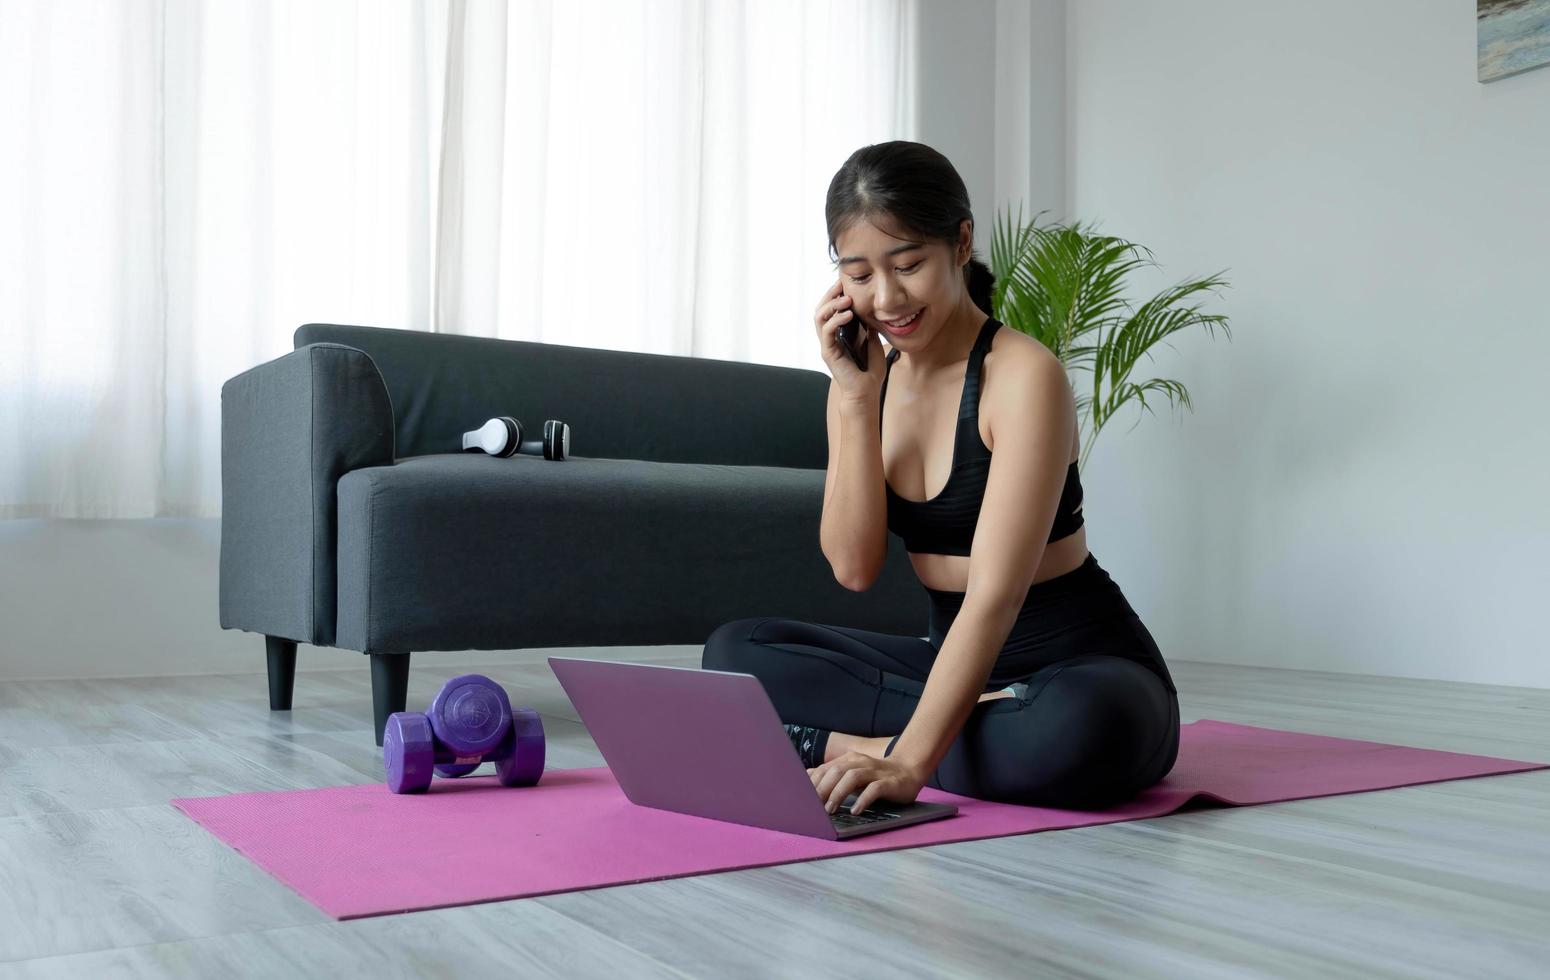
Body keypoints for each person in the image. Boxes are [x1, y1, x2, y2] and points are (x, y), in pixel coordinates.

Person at [701, 141, 1179, 815]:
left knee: (1078, 730)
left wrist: (909, 764)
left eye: (909, 265)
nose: (887, 298)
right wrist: (853, 399)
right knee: (734, 653)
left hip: (1080, 670)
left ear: (960, 243)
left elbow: (994, 596)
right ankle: (912, 734)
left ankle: (843, 745)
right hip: (948, 661)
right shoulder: (865, 380)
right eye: (859, 274)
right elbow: (853, 566)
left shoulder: (1022, 377)